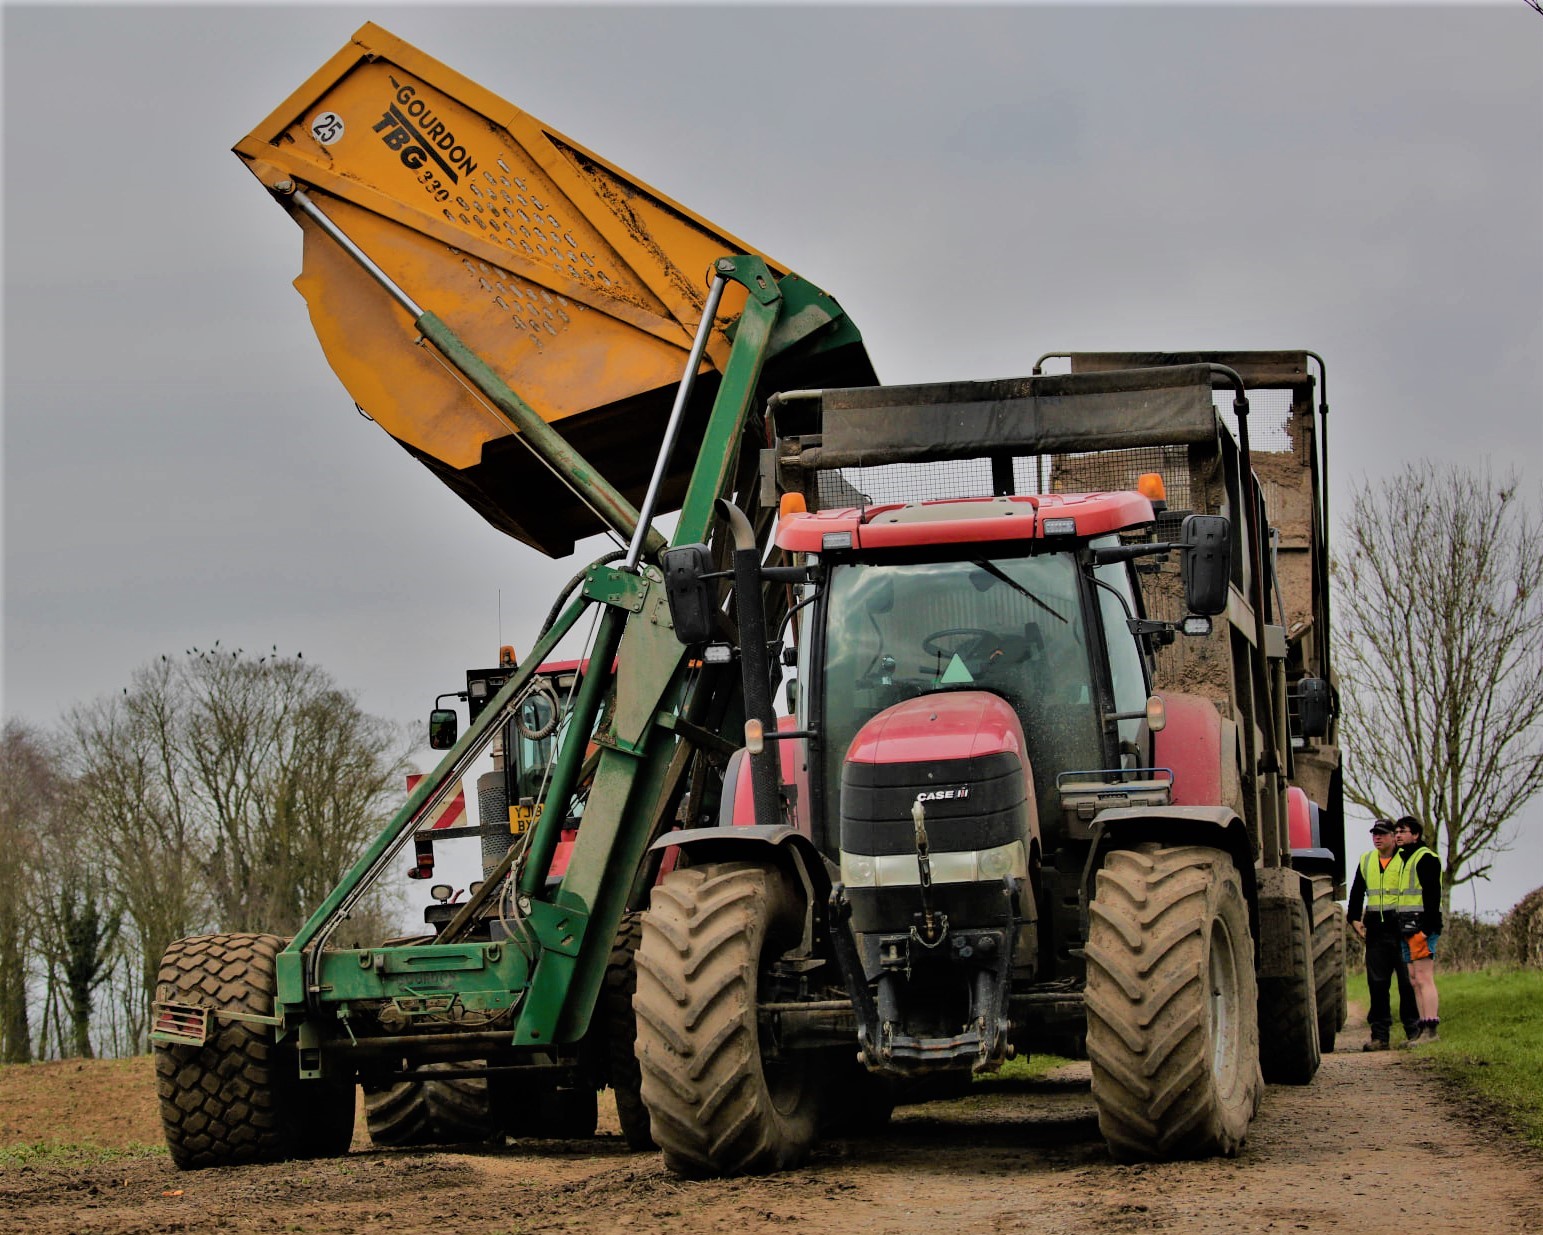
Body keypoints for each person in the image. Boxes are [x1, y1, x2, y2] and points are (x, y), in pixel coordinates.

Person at [1347, 819, 1421, 1050]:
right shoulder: (1367, 860)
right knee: (1377, 985)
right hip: (1376, 932)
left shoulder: (1407, 859)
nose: (1377, 838)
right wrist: (1354, 918)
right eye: (1374, 834)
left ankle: (1414, 1032)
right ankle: (1379, 1037)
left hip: (1402, 930)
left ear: (1393, 837)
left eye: (1382, 834)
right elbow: (1357, 891)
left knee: (1407, 983)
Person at [1393, 814, 1443, 1042]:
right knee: (1414, 979)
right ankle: (1422, 1028)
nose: (1398, 835)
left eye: (1402, 831)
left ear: (1415, 835)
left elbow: (1432, 897)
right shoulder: (1406, 859)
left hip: (1421, 927)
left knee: (1424, 977)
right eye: (1396, 832)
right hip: (1407, 928)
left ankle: (1431, 1029)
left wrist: (1425, 930)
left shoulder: (1426, 858)